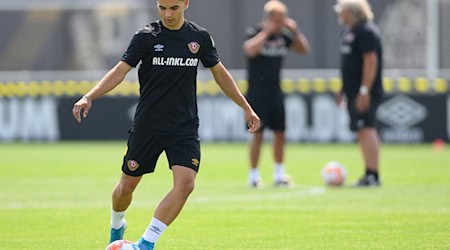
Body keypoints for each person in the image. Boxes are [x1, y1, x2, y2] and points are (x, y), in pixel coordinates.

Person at [72, 0, 260, 249]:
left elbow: (220, 74)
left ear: (185, 4)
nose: (168, 14)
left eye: (173, 8)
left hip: (184, 127)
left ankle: (146, 243)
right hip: (148, 126)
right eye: (162, 8)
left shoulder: (199, 37)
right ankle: (117, 224)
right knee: (126, 187)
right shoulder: (146, 37)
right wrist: (89, 95)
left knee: (185, 184)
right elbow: (120, 71)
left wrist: (246, 107)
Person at [243, 0, 310, 188]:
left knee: (280, 133)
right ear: (269, 18)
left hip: (275, 92)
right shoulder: (256, 32)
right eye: (278, 20)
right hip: (257, 94)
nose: (281, 23)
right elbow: (249, 50)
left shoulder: (284, 36)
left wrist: (294, 31)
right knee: (258, 134)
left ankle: (279, 175)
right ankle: (253, 176)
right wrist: (266, 32)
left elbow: (304, 49)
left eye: (283, 20)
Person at [334, 0, 383, 187]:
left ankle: (373, 174)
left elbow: (370, 61)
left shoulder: (367, 31)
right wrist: (343, 88)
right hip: (353, 91)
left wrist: (364, 90)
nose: (340, 14)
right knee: (361, 131)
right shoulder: (349, 32)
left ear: (353, 12)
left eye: (343, 11)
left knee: (367, 128)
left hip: (365, 92)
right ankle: (368, 173)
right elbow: (350, 65)